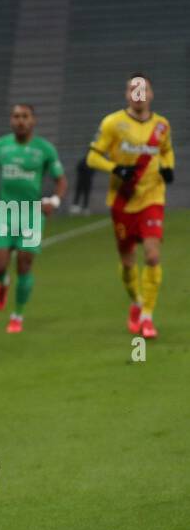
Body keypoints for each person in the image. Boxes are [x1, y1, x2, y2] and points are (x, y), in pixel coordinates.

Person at [86, 73, 175, 339]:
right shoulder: (113, 123)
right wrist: (115, 168)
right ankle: (136, 301)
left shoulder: (162, 126)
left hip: (152, 197)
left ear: (151, 94)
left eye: (144, 89)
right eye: (133, 89)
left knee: (152, 256)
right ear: (127, 95)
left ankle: (147, 316)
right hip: (123, 200)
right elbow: (92, 156)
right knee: (127, 263)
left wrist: (169, 166)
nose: (139, 94)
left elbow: (166, 150)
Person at [0, 103, 66, 334]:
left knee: (24, 264)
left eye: (25, 116)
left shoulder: (45, 149)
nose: (20, 120)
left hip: (32, 215)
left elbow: (60, 180)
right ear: (11, 120)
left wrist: (54, 201)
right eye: (16, 116)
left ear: (33, 121)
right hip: (6, 213)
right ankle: (2, 282)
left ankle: (17, 316)